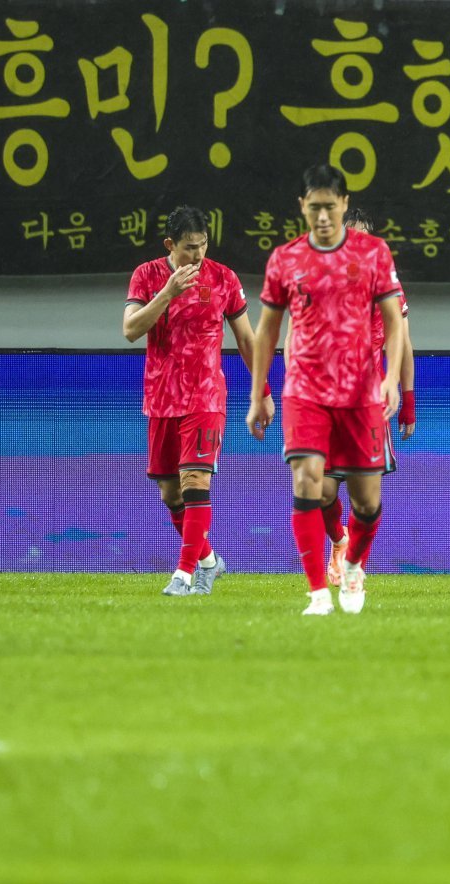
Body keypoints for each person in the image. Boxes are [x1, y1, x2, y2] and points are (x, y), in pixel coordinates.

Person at [248, 165, 405, 615]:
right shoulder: (285, 259)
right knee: (309, 484)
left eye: (329, 206)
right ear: (302, 207)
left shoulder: (374, 254)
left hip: (360, 392)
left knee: (367, 503)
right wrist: (259, 392)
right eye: (313, 206)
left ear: (342, 203)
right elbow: (266, 331)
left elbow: (395, 322)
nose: (321, 215)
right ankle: (318, 592)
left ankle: (353, 563)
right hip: (305, 389)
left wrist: (391, 380)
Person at [123, 205, 259, 596]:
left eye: (202, 246)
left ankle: (184, 574)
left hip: (205, 395)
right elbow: (131, 329)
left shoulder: (224, 279)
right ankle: (210, 561)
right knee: (171, 492)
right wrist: (168, 292)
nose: (197, 255)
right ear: (170, 245)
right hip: (161, 397)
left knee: (195, 480)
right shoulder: (146, 276)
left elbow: (247, 339)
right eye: (188, 248)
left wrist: (261, 389)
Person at [319, 207, 414, 586]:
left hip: (370, 407)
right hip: (325, 404)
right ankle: (340, 542)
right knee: (321, 491)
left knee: (366, 501)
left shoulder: (386, 285)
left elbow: (404, 345)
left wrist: (408, 402)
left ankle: (354, 567)